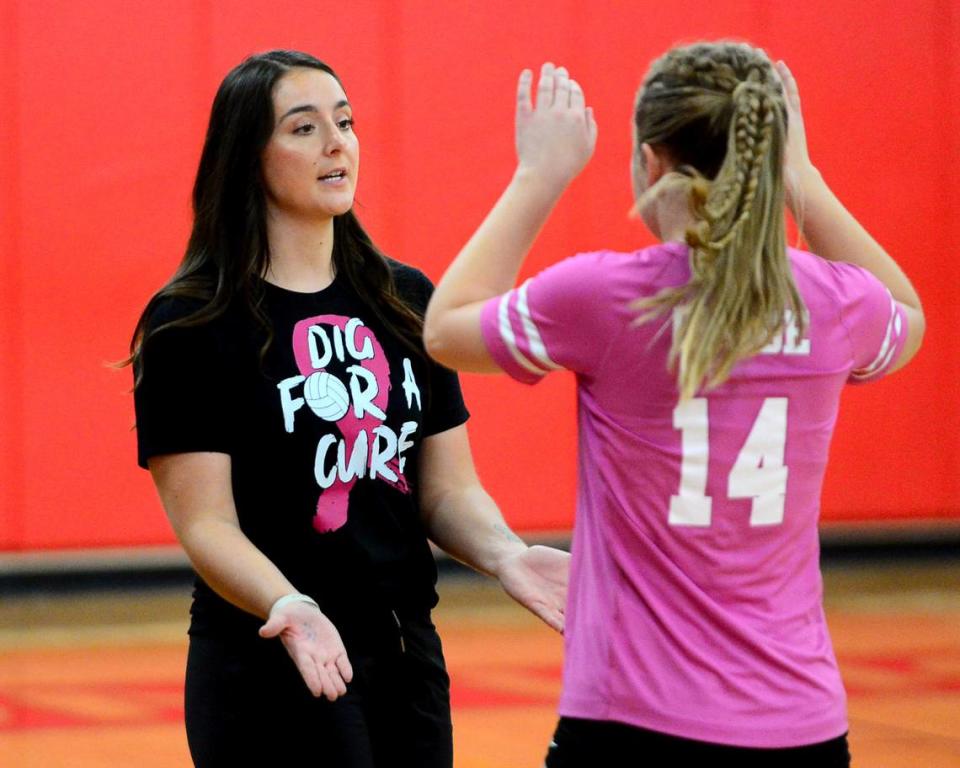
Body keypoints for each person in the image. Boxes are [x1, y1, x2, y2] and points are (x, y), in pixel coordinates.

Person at [423, 43, 924, 766]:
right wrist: (802, 180)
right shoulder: (833, 302)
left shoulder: (608, 297)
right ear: (765, 157)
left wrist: (539, 176)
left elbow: (445, 327)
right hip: (802, 729)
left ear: (650, 162)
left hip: (633, 724)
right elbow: (906, 311)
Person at [127, 49, 569, 767]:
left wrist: (506, 555)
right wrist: (288, 605)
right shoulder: (193, 323)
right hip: (271, 655)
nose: (337, 143)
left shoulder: (405, 300)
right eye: (304, 128)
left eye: (345, 121)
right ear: (249, 156)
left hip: (404, 651)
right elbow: (206, 522)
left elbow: (447, 490)